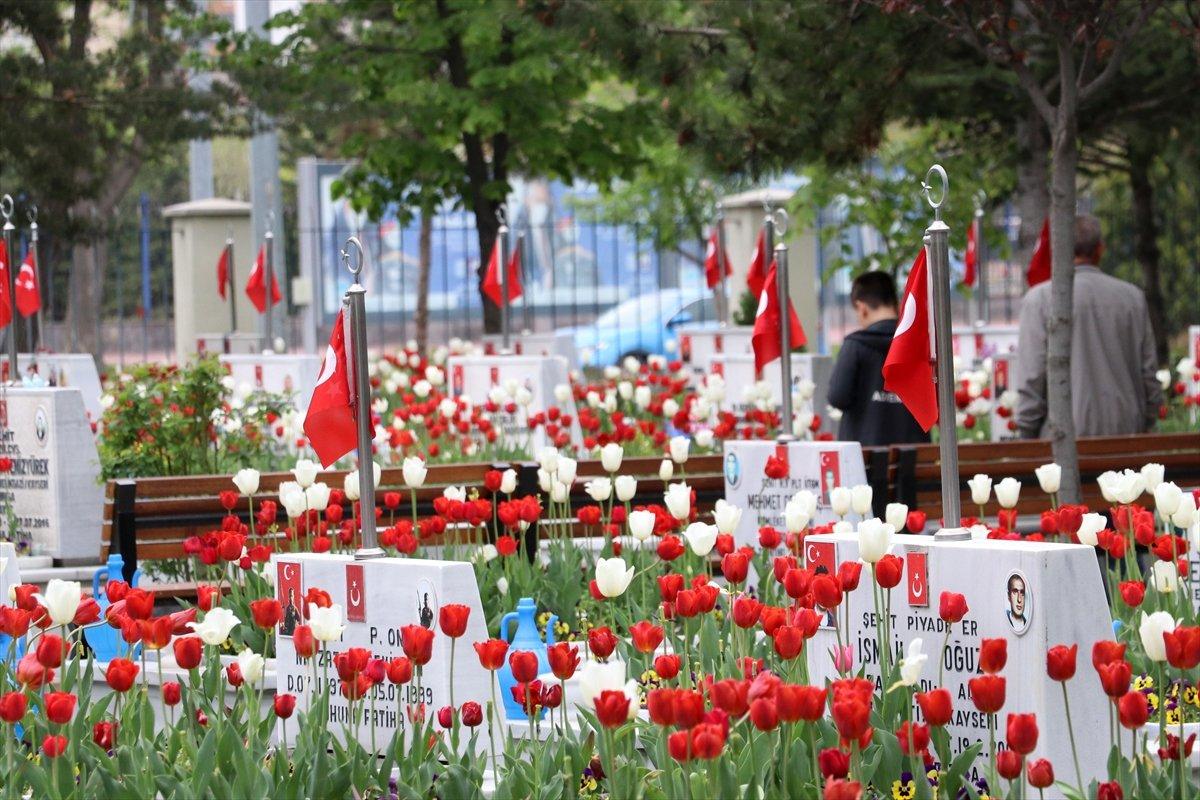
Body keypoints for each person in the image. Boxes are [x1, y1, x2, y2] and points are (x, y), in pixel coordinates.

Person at [1015, 214, 1162, 438]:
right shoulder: (1133, 299)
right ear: (1100, 249)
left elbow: (1032, 377)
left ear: (1059, 249)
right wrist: (1145, 420)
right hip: (1126, 435)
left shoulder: (1039, 300)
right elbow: (1149, 374)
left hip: (1062, 440)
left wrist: (1026, 432)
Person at [827, 271, 930, 446]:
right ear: (895, 303)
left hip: (864, 459)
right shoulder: (921, 344)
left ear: (862, 307)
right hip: (913, 457)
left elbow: (838, 397)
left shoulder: (855, 345)